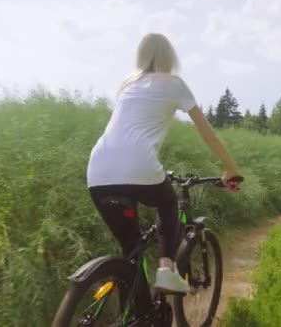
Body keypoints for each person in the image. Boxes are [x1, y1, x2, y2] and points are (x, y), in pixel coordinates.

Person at [87, 33, 242, 294]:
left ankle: (139, 314)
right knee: (168, 202)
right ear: (170, 57)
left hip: (98, 173)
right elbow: (207, 132)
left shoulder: (127, 85)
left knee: (130, 254)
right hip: (139, 166)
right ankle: (166, 270)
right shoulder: (174, 84)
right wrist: (231, 169)